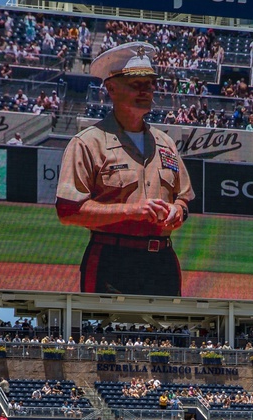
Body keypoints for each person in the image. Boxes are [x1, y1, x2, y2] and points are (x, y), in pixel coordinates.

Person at [56, 41, 194, 297]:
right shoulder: (88, 142)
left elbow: (184, 198)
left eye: (150, 84)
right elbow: (68, 212)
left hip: (162, 261)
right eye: (136, 84)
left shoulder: (165, 143)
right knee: (108, 336)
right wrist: (131, 211)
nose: (146, 91)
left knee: (167, 335)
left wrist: (178, 211)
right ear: (111, 89)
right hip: (112, 260)